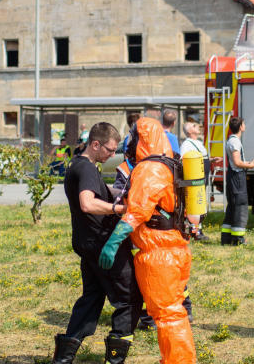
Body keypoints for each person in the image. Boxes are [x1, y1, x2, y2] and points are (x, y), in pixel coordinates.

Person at [100, 117, 196, 364]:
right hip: (174, 248)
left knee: (167, 315)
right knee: (173, 312)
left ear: (142, 139)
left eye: (133, 138)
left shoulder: (149, 169)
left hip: (159, 253)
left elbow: (137, 211)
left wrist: (112, 243)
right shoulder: (170, 164)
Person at [51, 122, 142, 364]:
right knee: (129, 297)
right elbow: (87, 203)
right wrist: (119, 208)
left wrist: (118, 192)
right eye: (110, 150)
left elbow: (97, 191)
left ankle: (63, 358)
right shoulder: (88, 169)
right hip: (103, 245)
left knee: (92, 298)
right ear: (95, 144)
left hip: (87, 243)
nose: (113, 155)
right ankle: (115, 358)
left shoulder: (80, 166)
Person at [180, 121, 221, 242]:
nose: (197, 126)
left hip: (201, 179)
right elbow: (185, 160)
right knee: (195, 206)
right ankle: (195, 232)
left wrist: (211, 160)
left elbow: (199, 158)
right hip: (195, 182)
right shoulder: (186, 144)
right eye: (193, 125)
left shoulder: (197, 143)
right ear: (189, 131)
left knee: (200, 205)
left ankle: (197, 231)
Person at [221, 117, 254, 246]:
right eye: (244, 124)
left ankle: (226, 238)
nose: (245, 125)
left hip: (233, 176)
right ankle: (238, 239)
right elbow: (236, 162)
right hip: (237, 178)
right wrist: (249, 166)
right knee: (240, 206)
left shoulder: (231, 140)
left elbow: (236, 162)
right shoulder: (235, 142)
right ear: (240, 126)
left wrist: (245, 163)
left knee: (232, 207)